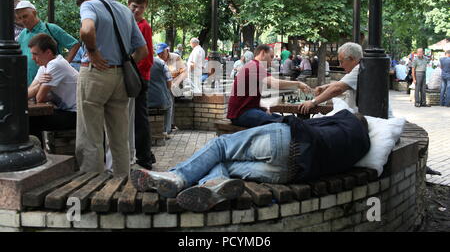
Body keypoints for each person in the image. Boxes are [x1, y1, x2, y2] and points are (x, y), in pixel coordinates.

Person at [130, 109, 370, 212]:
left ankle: (177, 177)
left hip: (289, 140)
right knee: (221, 165)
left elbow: (312, 124)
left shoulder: (347, 119)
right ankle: (213, 186)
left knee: (221, 145)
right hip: (290, 173)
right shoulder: (361, 148)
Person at [75, 0, 148, 177]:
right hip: (120, 78)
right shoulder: (125, 11)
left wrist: (93, 52)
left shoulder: (89, 5)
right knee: (119, 137)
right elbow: (142, 50)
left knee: (90, 136)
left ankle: (93, 185)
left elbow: (87, 30)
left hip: (95, 74)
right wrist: (123, 64)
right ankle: (122, 183)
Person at [227, 44, 312, 128]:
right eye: (271, 57)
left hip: (243, 112)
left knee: (287, 120)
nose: (271, 62)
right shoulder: (255, 66)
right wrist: (298, 84)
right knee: (285, 122)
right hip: (240, 114)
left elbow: (249, 99)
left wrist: (263, 109)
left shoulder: (253, 65)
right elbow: (275, 84)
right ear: (263, 53)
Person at [27, 34, 78, 146]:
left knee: (31, 121)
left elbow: (39, 98)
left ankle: (38, 154)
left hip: (76, 114)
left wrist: (39, 85)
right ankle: (39, 154)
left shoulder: (56, 64)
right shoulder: (43, 67)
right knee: (30, 119)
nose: (32, 58)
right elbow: (27, 93)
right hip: (66, 111)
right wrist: (40, 82)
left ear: (48, 53)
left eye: (35, 54)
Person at [15, 0, 80, 86]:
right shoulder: (22, 34)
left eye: (25, 16)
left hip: (49, 81)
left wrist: (65, 65)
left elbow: (75, 44)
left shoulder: (50, 28)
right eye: (20, 18)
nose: (23, 20)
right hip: (28, 82)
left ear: (34, 13)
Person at [128, 0, 156, 170]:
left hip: (138, 77)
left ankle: (145, 157)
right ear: (128, 4)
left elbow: (147, 57)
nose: (137, 11)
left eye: (141, 8)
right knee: (136, 117)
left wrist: (133, 70)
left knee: (139, 118)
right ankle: (147, 155)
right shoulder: (127, 22)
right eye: (134, 6)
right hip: (134, 75)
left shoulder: (144, 26)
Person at [298, 42, 363, 115]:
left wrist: (313, 102)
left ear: (351, 58)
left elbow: (337, 88)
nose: (340, 65)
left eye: (341, 62)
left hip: (356, 117)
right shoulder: (361, 67)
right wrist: (325, 87)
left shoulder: (359, 69)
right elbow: (343, 84)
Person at [148, 44, 174, 135]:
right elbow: (169, 83)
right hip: (160, 101)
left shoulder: (139, 62)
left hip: (144, 100)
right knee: (170, 103)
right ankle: (166, 130)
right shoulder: (161, 64)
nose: (160, 55)